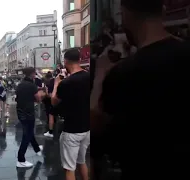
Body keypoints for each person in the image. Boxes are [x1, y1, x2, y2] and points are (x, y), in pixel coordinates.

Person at [93, 0, 190, 179]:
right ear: (163, 10)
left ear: (125, 14)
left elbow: (96, 126)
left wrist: (100, 74)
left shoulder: (123, 73)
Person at [51, 49, 90, 180]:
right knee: (82, 161)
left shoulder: (66, 83)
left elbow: (54, 101)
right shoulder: (89, 76)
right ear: (79, 60)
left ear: (65, 61)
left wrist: (57, 83)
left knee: (69, 168)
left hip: (72, 130)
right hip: (86, 128)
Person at [15, 67, 45, 168]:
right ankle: (20, 159)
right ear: (32, 74)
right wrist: (40, 95)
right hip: (28, 112)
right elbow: (38, 98)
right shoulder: (32, 85)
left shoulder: (20, 85)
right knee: (27, 135)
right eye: (34, 73)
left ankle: (36, 149)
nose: (35, 75)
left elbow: (18, 97)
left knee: (29, 131)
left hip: (20, 112)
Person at [42, 71, 55, 138]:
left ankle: (50, 131)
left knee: (50, 115)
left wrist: (46, 92)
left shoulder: (49, 83)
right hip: (55, 101)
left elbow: (49, 95)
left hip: (49, 101)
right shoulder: (55, 81)